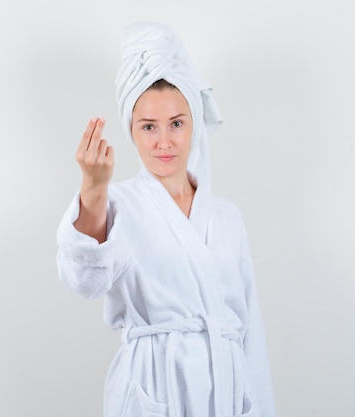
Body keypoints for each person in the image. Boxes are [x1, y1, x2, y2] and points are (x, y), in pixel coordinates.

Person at [56, 22, 276, 417]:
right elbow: (84, 280)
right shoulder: (118, 203)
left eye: (176, 123)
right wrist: (93, 187)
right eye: (148, 127)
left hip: (226, 388)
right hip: (155, 386)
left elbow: (250, 329)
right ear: (131, 131)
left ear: (193, 125)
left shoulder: (227, 217)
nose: (164, 141)